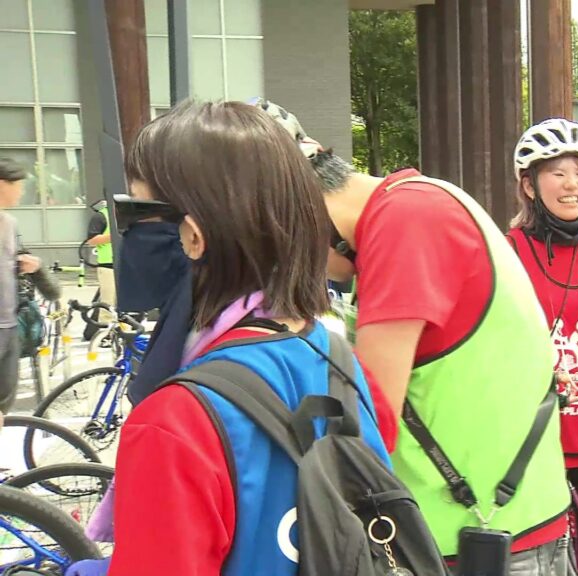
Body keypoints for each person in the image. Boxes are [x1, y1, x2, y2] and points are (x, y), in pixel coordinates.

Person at [252, 98, 570, 573]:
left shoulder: (405, 222)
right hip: (488, 525)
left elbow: (368, 416)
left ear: (299, 213)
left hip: (479, 539)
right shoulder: (419, 200)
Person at [76, 100, 391, 576]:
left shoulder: (174, 420)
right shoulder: (338, 360)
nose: (127, 232)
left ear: (194, 236)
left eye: (135, 210)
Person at [508, 118, 578, 575]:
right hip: (532, 449)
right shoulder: (504, 254)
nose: (572, 184)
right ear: (529, 186)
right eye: (557, 172)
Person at [0, 158, 42, 413]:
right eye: (18, 185)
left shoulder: (9, 223)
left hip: (10, 323)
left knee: (5, 399)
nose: (22, 191)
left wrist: (26, 265)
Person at [85, 199, 116, 324]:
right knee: (108, 304)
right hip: (108, 265)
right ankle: (106, 331)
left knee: (128, 304)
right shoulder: (101, 216)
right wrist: (115, 235)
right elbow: (92, 240)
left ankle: (126, 331)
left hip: (128, 264)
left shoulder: (130, 215)